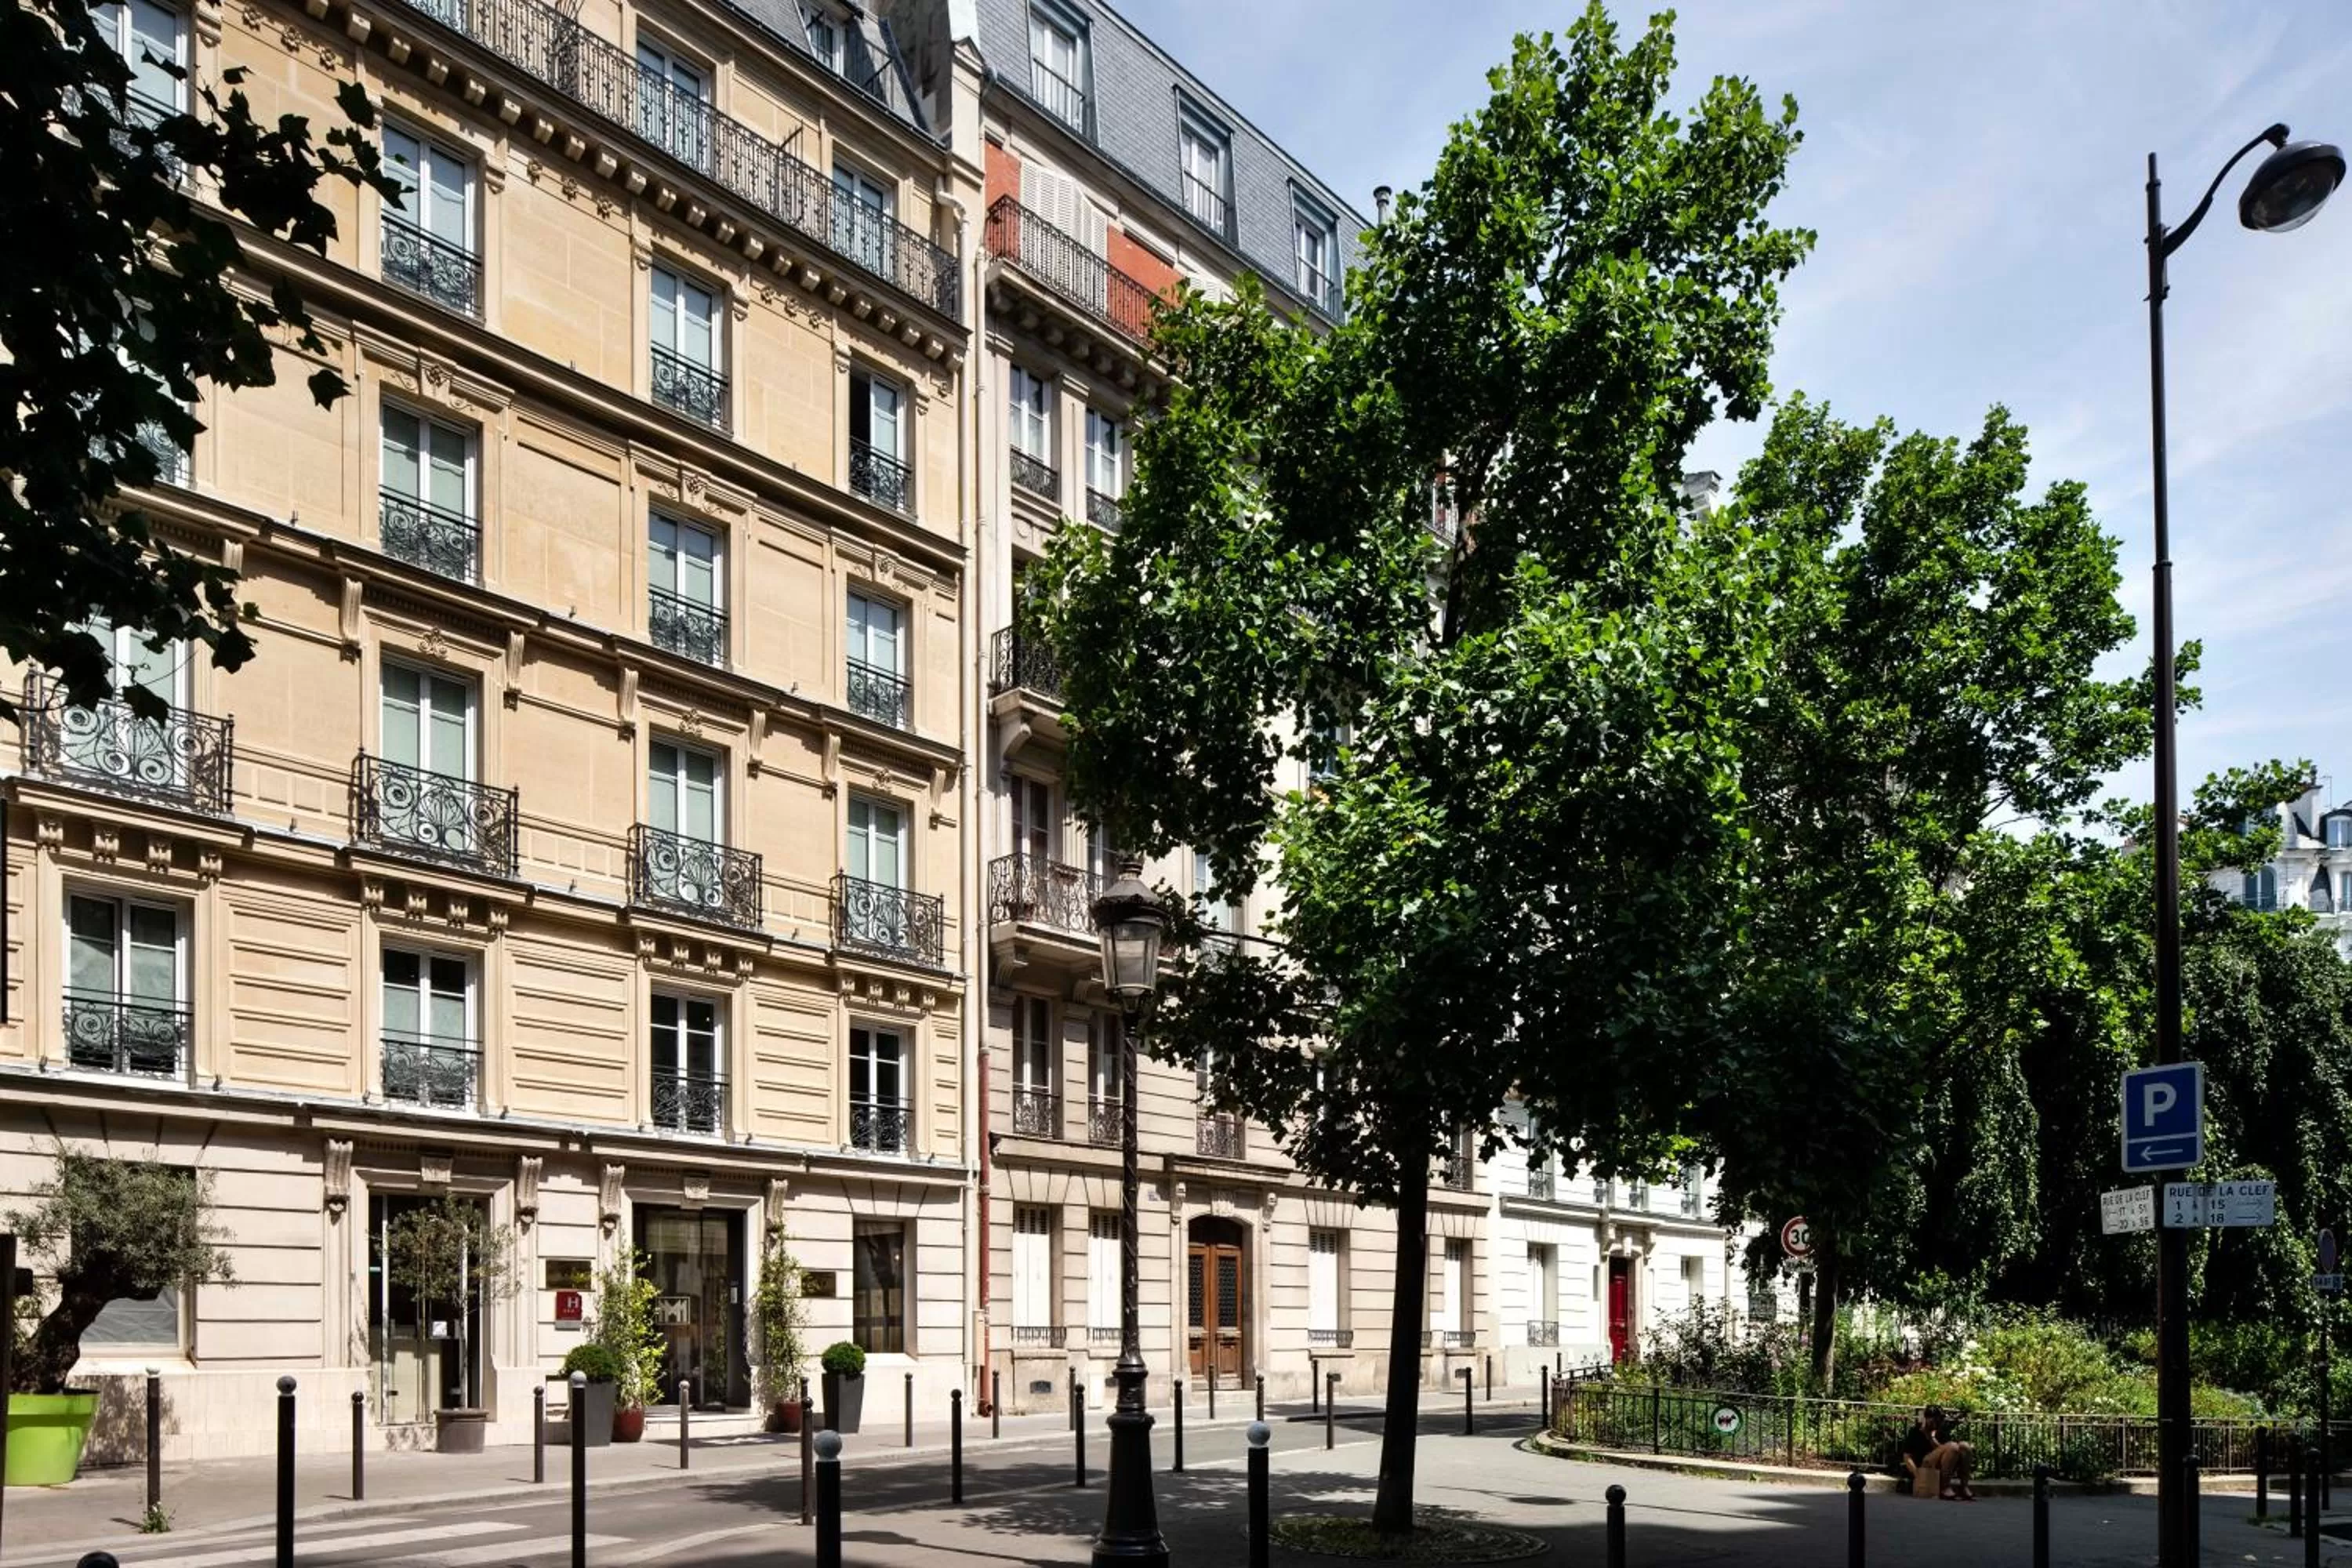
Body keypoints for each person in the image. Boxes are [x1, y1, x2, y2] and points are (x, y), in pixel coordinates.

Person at [1900, 1405, 1976, 1501]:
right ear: (1927, 1419)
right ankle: (1945, 1488)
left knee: (1965, 1446)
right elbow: (1907, 1456)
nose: (1937, 1423)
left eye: (1939, 1420)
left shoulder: (1941, 1431)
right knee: (1952, 1446)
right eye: (1934, 1420)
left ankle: (1964, 1487)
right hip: (1925, 1465)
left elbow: (1947, 1451)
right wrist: (1917, 1474)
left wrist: (1932, 1438)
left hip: (1942, 1464)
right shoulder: (1916, 1431)